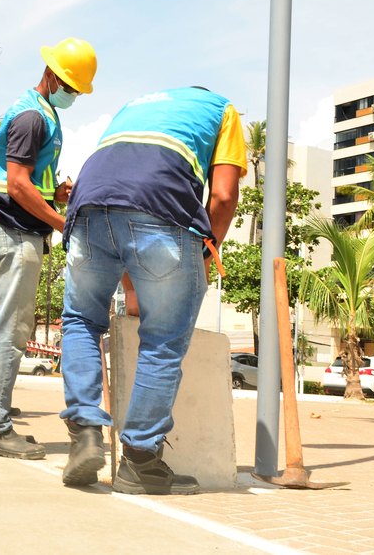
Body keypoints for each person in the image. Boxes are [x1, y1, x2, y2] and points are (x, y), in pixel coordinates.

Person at [59, 86, 244, 494]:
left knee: (80, 320)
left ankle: (86, 431)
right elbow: (225, 195)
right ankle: (140, 460)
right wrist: (204, 254)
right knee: (162, 340)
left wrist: (137, 282)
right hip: (160, 208)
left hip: (88, 208)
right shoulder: (223, 110)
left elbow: (118, 213)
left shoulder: (133, 105)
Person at [0, 37, 96, 460]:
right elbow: (17, 184)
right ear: (50, 75)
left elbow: (33, 182)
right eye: (71, 86)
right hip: (14, 231)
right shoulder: (31, 117)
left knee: (11, 327)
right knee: (11, 329)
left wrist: (57, 193)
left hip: (19, 230)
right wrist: (64, 223)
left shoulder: (42, 112)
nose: (74, 94)